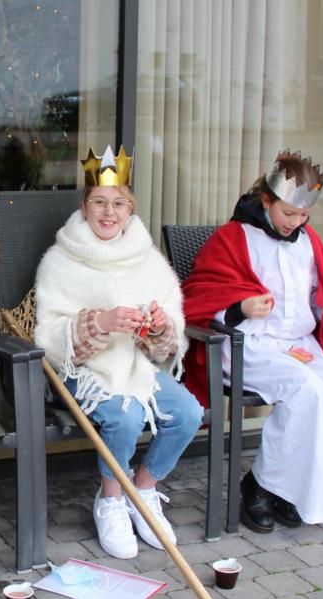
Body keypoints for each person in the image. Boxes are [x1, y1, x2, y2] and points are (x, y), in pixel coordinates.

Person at [182, 151, 323, 532]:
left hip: (299, 343)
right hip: (250, 346)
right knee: (307, 391)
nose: (295, 223)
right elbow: (198, 294)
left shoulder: (307, 240)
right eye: (288, 215)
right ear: (266, 200)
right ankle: (260, 485)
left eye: (302, 217)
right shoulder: (232, 237)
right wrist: (238, 306)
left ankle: (296, 490)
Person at [32, 146, 203, 559]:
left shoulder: (147, 257)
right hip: (83, 370)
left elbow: (170, 339)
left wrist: (158, 327)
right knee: (123, 415)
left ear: (131, 210)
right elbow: (48, 335)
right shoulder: (59, 259)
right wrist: (100, 323)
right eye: (100, 203)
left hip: (137, 365)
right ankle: (110, 498)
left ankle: (142, 489)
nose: (109, 213)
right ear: (84, 206)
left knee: (187, 413)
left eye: (119, 204)